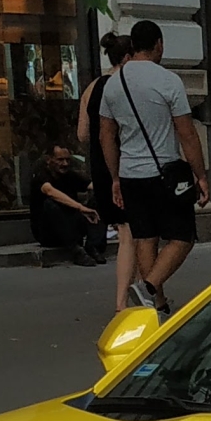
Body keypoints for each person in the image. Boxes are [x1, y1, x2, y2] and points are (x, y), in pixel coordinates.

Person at [98, 19, 211, 314]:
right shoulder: (168, 81)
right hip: (164, 173)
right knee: (183, 236)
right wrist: (200, 175)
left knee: (145, 237)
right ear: (159, 44)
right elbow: (186, 133)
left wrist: (114, 177)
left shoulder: (113, 83)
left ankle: (157, 304)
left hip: (129, 174)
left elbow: (106, 136)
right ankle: (148, 287)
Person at [78, 31, 136, 308]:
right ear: (128, 57)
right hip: (125, 165)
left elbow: (82, 134)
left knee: (126, 232)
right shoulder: (125, 86)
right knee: (132, 234)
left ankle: (125, 300)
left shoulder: (92, 88)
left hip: (100, 167)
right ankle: (130, 298)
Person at [28, 144, 103, 265]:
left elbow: (92, 185)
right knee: (50, 204)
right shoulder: (41, 176)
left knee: (98, 200)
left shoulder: (70, 175)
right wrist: (80, 207)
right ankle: (76, 252)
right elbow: (50, 191)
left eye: (68, 160)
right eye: (60, 160)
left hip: (72, 225)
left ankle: (93, 246)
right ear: (49, 159)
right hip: (49, 232)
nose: (65, 164)